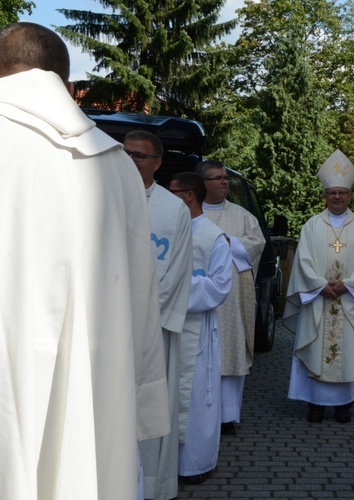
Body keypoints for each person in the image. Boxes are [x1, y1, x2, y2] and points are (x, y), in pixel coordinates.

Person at [0, 22, 168, 499]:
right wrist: (144, 392)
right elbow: (141, 293)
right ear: (63, 78)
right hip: (96, 383)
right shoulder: (115, 162)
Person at [283, 150, 354, 424]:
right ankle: (314, 405)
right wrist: (319, 286)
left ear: (349, 195)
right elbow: (302, 260)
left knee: (348, 351)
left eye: (342, 192)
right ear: (325, 195)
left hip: (348, 301)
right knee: (315, 347)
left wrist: (346, 286)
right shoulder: (311, 226)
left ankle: (344, 406)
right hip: (319, 300)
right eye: (332, 193)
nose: (337, 197)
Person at [124, 129, 193, 500]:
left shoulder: (173, 209)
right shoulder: (100, 195)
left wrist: (142, 318)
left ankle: (150, 485)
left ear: (158, 163)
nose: (131, 161)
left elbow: (178, 269)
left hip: (154, 328)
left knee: (150, 409)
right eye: (127, 153)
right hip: (107, 328)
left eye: (139, 156)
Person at [169, 172, 233, 485]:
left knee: (195, 398)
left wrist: (175, 288)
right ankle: (165, 462)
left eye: (174, 192)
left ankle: (195, 464)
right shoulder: (167, 228)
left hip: (197, 330)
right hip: (166, 326)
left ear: (189, 196)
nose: (169, 197)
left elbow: (220, 285)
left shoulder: (213, 236)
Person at [198, 159, 266, 436]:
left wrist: (231, 243)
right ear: (202, 183)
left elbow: (258, 243)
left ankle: (227, 417)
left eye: (225, 178)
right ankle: (199, 415)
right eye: (217, 178)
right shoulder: (190, 212)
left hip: (233, 298)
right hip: (200, 295)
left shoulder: (242, 216)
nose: (224, 182)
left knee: (230, 351)